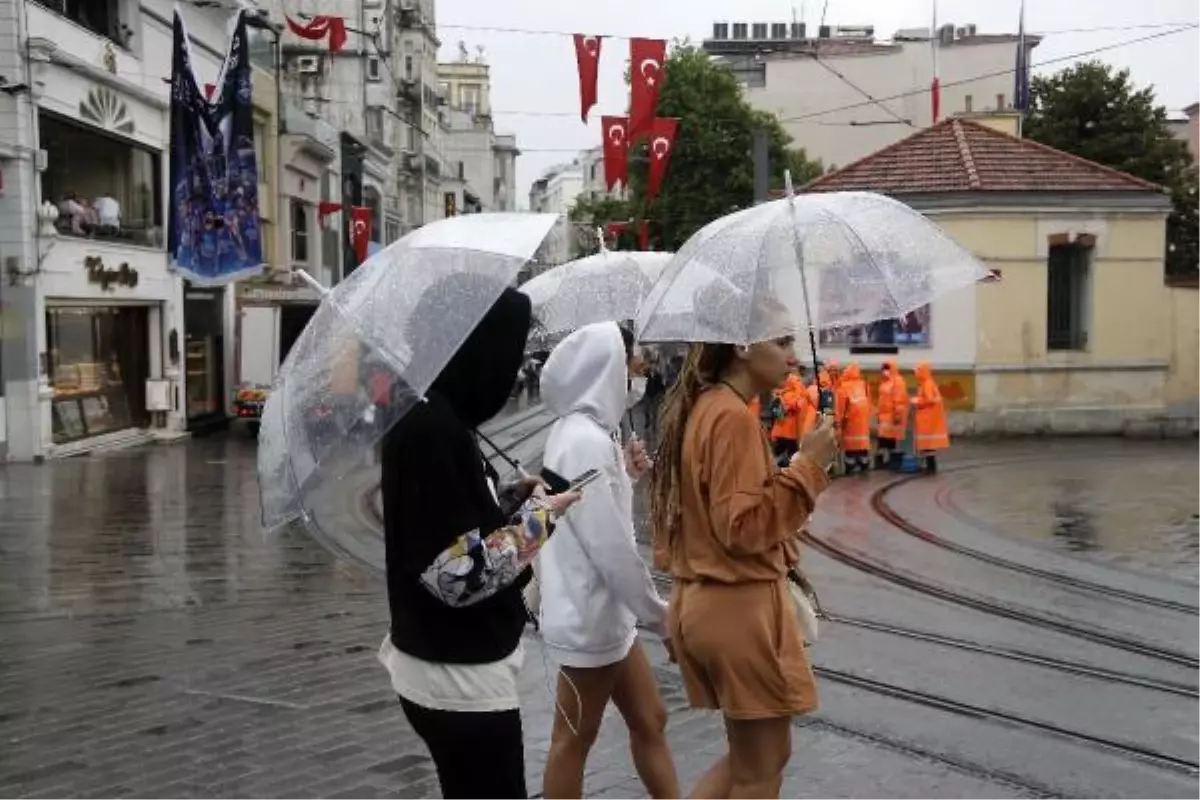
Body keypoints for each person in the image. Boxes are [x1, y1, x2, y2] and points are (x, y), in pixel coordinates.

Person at [378, 281, 580, 800]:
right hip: (458, 674)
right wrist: (540, 519)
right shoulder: (432, 429)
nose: (512, 371)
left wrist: (509, 497)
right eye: (508, 354)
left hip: (443, 662)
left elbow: (448, 519)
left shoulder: (433, 414)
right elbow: (456, 578)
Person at [650, 338, 840, 799]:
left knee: (754, 760)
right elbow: (742, 529)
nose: (793, 355)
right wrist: (809, 467)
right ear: (742, 346)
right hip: (737, 606)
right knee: (760, 769)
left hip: (713, 601)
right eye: (782, 341)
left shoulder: (710, 406)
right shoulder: (731, 416)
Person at [538, 322, 680, 800]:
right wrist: (660, 617)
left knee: (650, 719)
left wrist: (627, 476)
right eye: (629, 360)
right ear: (606, 369)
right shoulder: (584, 441)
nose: (638, 369)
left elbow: (594, 513)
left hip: (608, 618)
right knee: (572, 741)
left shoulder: (590, 434)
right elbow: (611, 549)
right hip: (591, 618)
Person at [912, 360, 949, 473]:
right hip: (928, 417)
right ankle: (929, 466)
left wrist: (917, 401)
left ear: (922, 372)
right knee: (927, 443)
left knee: (927, 443)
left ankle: (930, 467)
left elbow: (929, 400)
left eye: (917, 371)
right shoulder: (926, 383)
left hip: (928, 417)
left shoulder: (927, 384)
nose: (915, 374)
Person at [836, 362, 873, 474]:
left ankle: (850, 467)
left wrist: (838, 421)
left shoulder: (843, 386)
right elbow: (869, 402)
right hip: (863, 422)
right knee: (862, 447)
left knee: (850, 448)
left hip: (850, 422)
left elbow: (841, 406)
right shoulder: (863, 384)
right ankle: (864, 465)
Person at [874, 360, 908, 469]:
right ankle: (883, 461)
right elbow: (882, 400)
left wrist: (898, 414)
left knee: (888, 439)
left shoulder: (897, 381)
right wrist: (878, 414)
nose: (885, 371)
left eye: (887, 369)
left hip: (892, 416)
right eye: (883, 369)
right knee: (884, 439)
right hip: (885, 416)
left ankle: (887, 461)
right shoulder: (885, 382)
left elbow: (899, 399)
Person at [768, 368, 807, 463]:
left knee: (780, 449)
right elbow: (798, 405)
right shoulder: (793, 393)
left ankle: (777, 465)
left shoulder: (779, 392)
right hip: (790, 428)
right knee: (791, 450)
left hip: (781, 426)